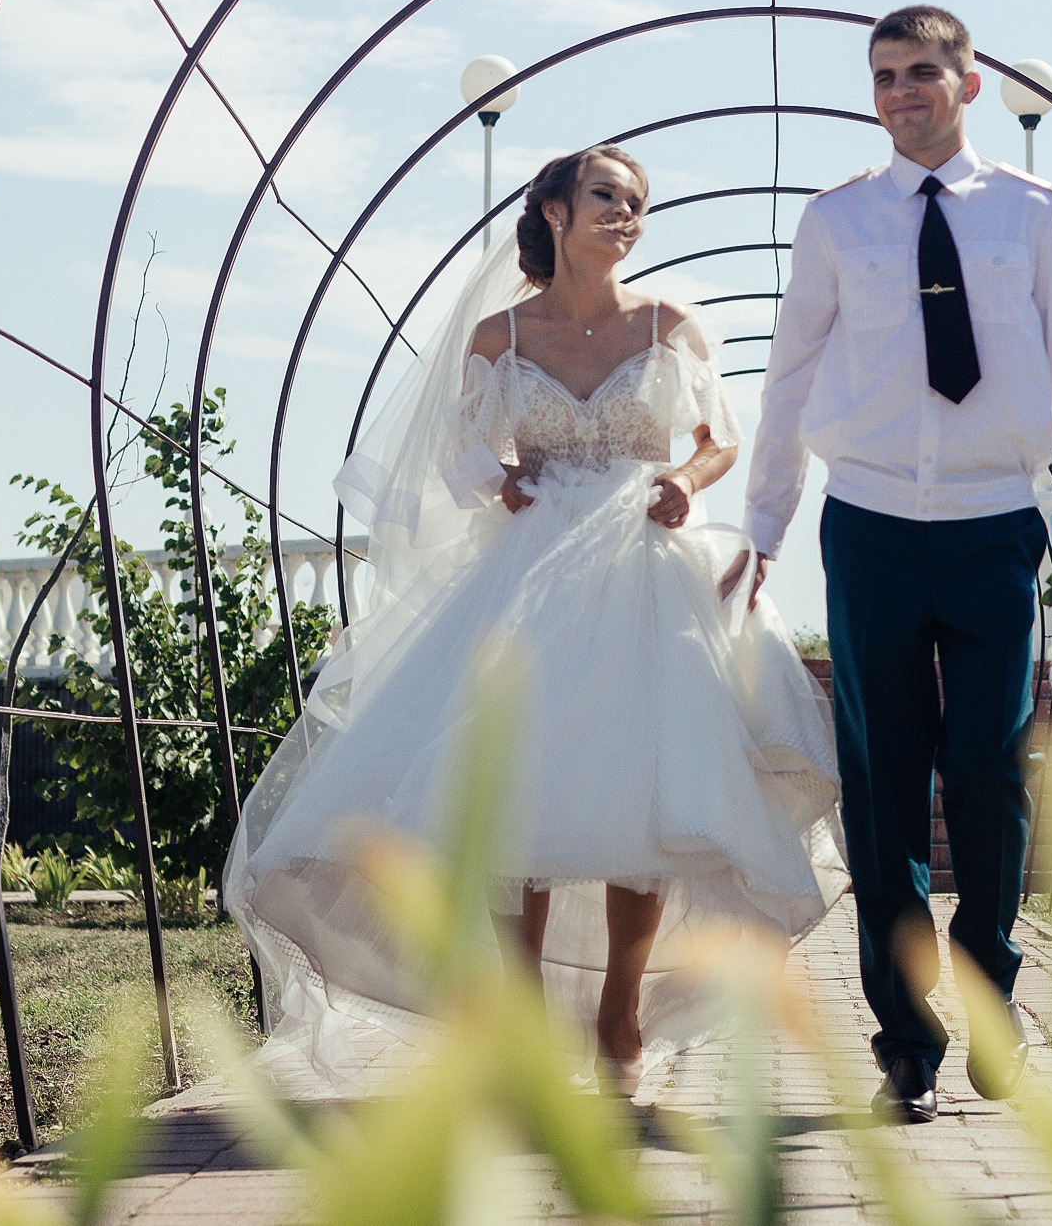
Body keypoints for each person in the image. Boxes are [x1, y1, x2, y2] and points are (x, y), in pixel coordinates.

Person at [226, 144, 847, 1099]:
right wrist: (499, 482)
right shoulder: (499, 340)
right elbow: (454, 452)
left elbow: (721, 443)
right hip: (532, 568)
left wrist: (681, 479)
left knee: (652, 787)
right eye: (607, 196)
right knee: (523, 781)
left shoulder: (672, 325)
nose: (626, 214)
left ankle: (619, 1012)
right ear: (554, 211)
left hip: (645, 564)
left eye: (638, 202)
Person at [734, 5, 1052, 1122]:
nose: (900, 90)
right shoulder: (836, 222)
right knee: (881, 788)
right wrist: (761, 531)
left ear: (966, 81)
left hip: (994, 525)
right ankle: (904, 1037)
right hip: (864, 523)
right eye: (882, 76)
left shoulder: (1033, 214)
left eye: (920, 72)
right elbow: (783, 379)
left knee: (990, 773)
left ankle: (991, 987)